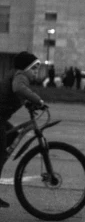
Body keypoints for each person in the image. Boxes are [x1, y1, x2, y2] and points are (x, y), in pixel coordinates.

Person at [0, 51, 47, 208]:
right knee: (1, 152)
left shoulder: (18, 75)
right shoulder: (21, 76)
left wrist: (28, 103)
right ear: (25, 68)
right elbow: (18, 88)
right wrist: (38, 100)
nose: (35, 72)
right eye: (33, 68)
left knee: (12, 136)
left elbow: (17, 93)